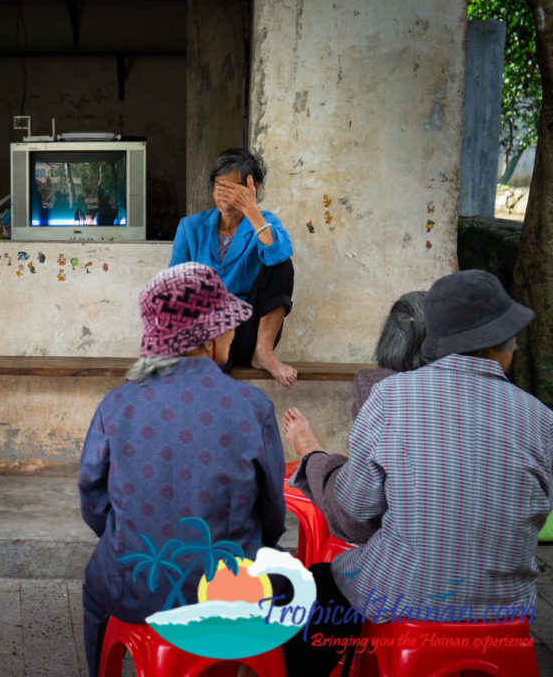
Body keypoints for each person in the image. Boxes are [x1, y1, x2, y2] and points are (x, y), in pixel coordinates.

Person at [282, 269, 553, 676]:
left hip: (406, 595)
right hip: (508, 606)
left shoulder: (392, 395)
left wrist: (317, 457)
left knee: (315, 587)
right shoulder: (541, 417)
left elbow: (355, 504)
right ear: (505, 345)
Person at [78, 262, 286, 676]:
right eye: (227, 325)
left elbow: (94, 502)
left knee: (97, 583)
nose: (232, 332)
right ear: (208, 337)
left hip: (134, 584)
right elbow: (271, 512)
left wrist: (132, 536)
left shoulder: (117, 405)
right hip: (228, 592)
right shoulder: (252, 406)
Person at [282, 290, 427, 543]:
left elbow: (357, 516)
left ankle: (311, 455)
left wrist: (313, 454)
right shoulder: (509, 401)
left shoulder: (380, 390)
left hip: (404, 555)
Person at [170, 147, 297, 386]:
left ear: (253, 188)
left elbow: (279, 253)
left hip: (249, 332)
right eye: (220, 187)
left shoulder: (264, 222)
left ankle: (264, 353)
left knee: (281, 264)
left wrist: (251, 209)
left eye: (234, 189)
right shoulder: (191, 227)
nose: (225, 196)